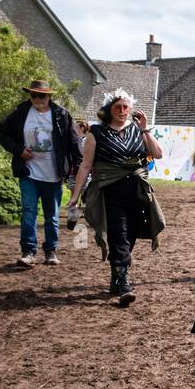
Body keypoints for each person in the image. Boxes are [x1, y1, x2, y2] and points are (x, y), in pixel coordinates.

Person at [67, 90, 165, 305]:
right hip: (110, 191)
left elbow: (157, 154)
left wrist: (144, 128)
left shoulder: (137, 130)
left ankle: (116, 277)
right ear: (109, 109)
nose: (122, 111)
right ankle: (124, 285)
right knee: (118, 235)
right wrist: (74, 197)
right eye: (117, 107)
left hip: (137, 192)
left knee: (130, 235)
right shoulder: (96, 133)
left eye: (125, 107)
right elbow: (86, 166)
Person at [0, 80, 81, 267]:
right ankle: (28, 252)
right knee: (29, 212)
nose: (36, 99)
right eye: (33, 95)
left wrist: (80, 168)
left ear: (49, 96)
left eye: (41, 95)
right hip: (29, 173)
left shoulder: (61, 115)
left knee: (52, 215)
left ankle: (51, 251)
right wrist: (18, 150)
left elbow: (74, 143)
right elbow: (1, 132)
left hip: (54, 174)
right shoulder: (20, 113)